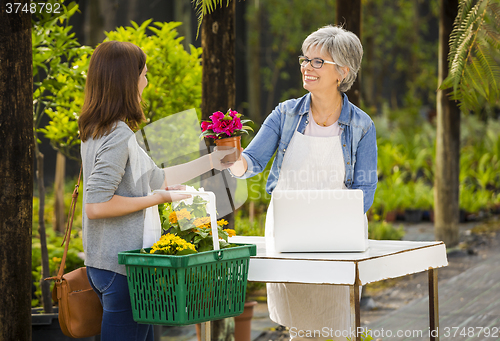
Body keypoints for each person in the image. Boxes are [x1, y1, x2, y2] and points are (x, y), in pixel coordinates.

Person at [78, 41, 234, 341]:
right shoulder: (118, 135)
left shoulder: (98, 129)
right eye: (144, 74)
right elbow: (96, 205)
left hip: (109, 264)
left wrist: (213, 160)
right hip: (122, 269)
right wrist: (157, 199)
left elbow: (157, 178)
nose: (146, 82)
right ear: (127, 79)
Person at [229, 25, 377, 339]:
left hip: (338, 240)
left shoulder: (362, 125)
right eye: (304, 59)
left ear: (343, 71)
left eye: (317, 62)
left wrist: (339, 222)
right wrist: (232, 159)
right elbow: (251, 162)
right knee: (298, 326)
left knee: (336, 324)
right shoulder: (284, 115)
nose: (306, 67)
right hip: (288, 236)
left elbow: (365, 189)